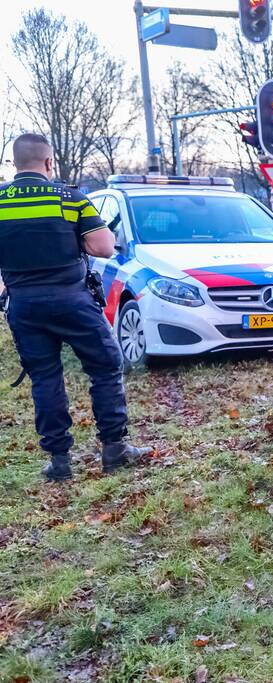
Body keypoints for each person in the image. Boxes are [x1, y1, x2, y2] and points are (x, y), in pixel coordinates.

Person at [0, 133, 150, 481]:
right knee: (105, 365)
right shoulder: (69, 198)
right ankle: (115, 448)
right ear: (49, 162)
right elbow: (103, 248)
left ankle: (59, 462)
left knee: (45, 378)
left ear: (15, 163)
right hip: (72, 301)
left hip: (24, 306)